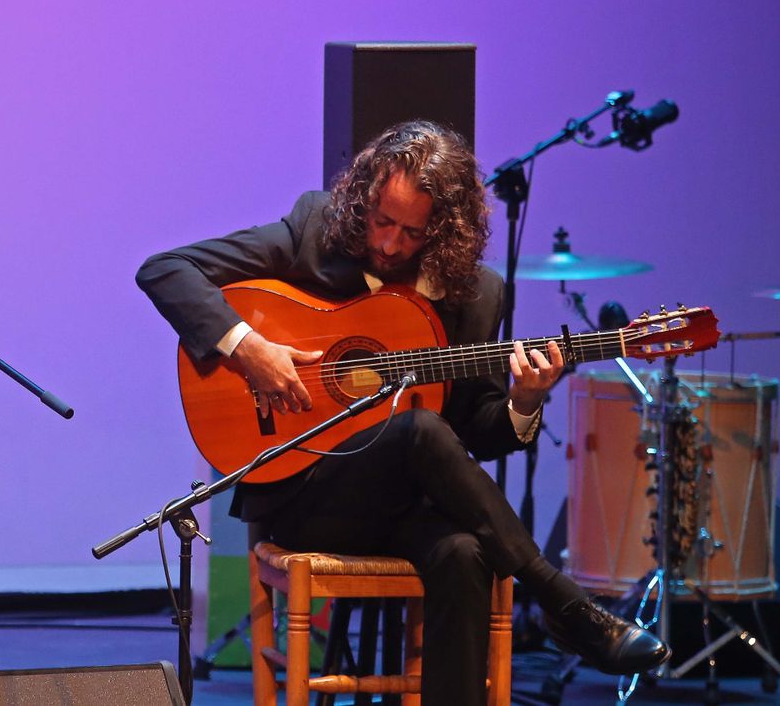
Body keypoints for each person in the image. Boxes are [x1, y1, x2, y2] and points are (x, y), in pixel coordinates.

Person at [135, 120, 667, 705]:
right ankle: (562, 601)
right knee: (419, 430)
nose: (389, 243)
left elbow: (478, 430)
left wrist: (524, 400)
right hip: (302, 493)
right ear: (362, 197)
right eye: (381, 220)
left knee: (465, 553)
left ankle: (550, 608)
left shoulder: (476, 294)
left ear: (445, 229)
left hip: (399, 505)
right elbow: (165, 269)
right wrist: (251, 348)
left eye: (411, 231)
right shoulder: (314, 230)